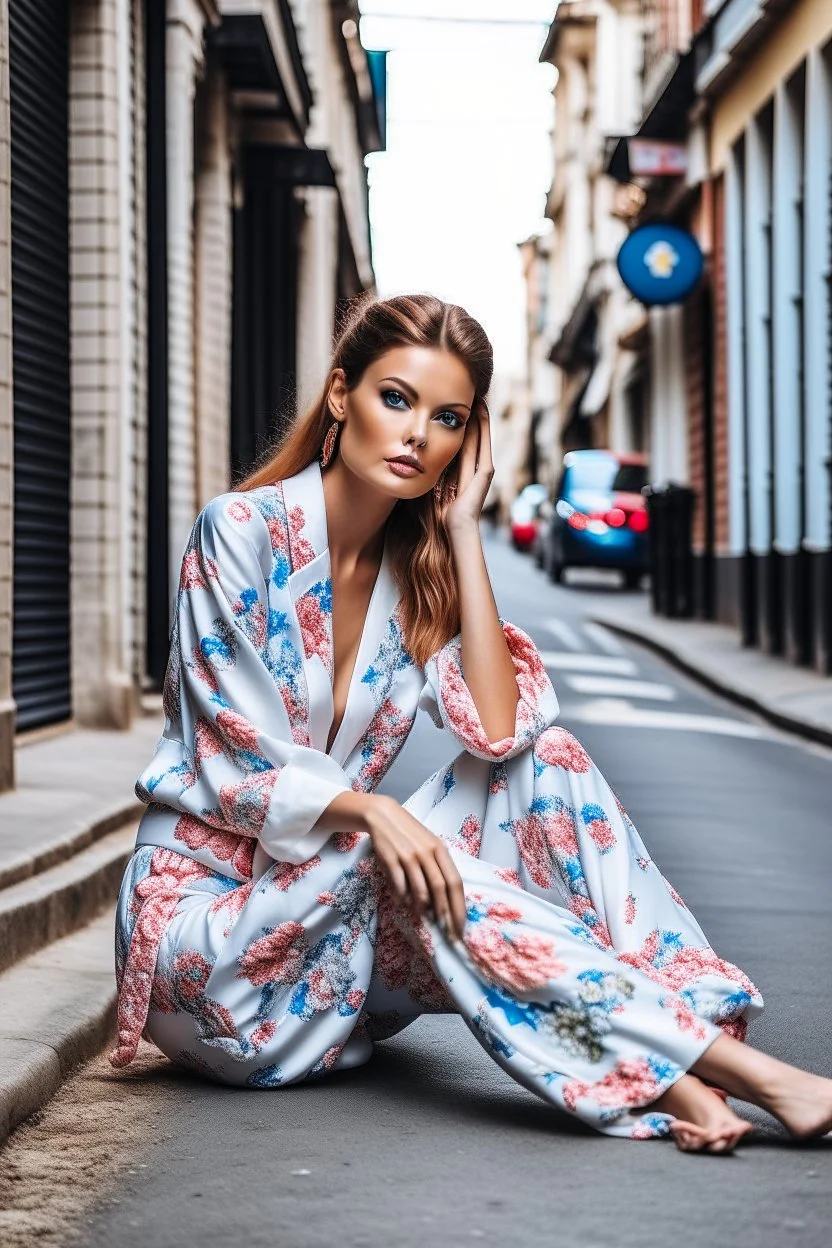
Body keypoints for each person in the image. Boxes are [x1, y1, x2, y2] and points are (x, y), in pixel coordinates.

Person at [111, 293, 832, 1154]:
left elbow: (500, 734)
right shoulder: (241, 530)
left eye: (447, 417)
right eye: (396, 399)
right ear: (340, 395)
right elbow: (232, 753)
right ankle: (717, 1072)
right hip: (211, 950)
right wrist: (373, 812)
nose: (417, 433)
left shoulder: (416, 577)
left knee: (548, 760)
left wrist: (460, 529)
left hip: (334, 943)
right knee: (379, 842)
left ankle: (681, 1049)